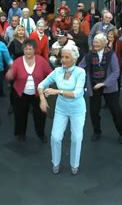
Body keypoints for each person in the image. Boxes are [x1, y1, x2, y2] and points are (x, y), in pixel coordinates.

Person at [38, 45, 86, 175]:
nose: (63, 60)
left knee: (76, 138)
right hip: (61, 108)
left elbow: (76, 93)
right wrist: (42, 99)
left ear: (74, 59)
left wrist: (56, 91)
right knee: (55, 137)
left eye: (67, 57)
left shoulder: (80, 72)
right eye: (62, 57)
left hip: (77, 109)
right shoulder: (57, 71)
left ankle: (74, 165)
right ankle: (56, 162)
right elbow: (41, 85)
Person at [79, 33, 122, 144]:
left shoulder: (111, 54)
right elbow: (81, 67)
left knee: (115, 111)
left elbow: (116, 72)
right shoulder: (90, 54)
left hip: (109, 87)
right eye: (94, 42)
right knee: (94, 112)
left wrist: (104, 83)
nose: (94, 44)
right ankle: (97, 131)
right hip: (94, 86)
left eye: (97, 42)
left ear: (104, 43)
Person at [6, 39, 52, 142]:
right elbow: (9, 75)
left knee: (40, 115)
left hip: (38, 94)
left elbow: (50, 74)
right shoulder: (17, 62)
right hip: (20, 93)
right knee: (20, 114)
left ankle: (41, 133)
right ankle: (21, 133)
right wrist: (9, 74)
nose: (28, 51)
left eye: (30, 49)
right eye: (26, 49)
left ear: (34, 50)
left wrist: (48, 87)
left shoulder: (41, 61)